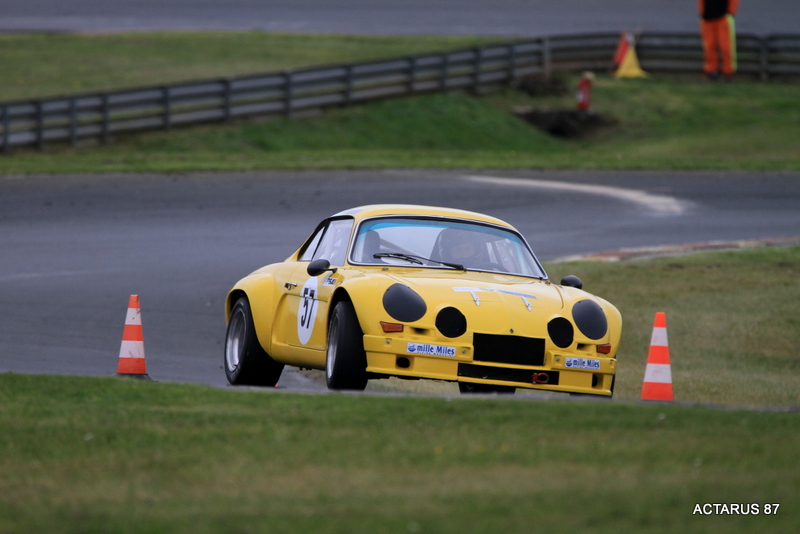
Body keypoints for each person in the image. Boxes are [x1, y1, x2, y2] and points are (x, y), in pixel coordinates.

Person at [699, 0, 739, 80]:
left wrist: (731, 12)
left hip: (723, 17)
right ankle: (711, 70)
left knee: (726, 46)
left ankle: (728, 71)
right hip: (707, 18)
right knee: (709, 46)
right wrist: (702, 12)